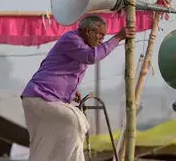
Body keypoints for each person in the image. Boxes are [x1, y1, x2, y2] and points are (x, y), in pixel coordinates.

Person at [21, 15, 135, 161]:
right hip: (40, 97)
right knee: (76, 121)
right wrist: (117, 38)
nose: (101, 39)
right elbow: (91, 57)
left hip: (43, 99)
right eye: (100, 35)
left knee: (45, 146)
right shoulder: (72, 39)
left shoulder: (78, 44)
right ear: (89, 31)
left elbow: (57, 67)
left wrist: (72, 90)